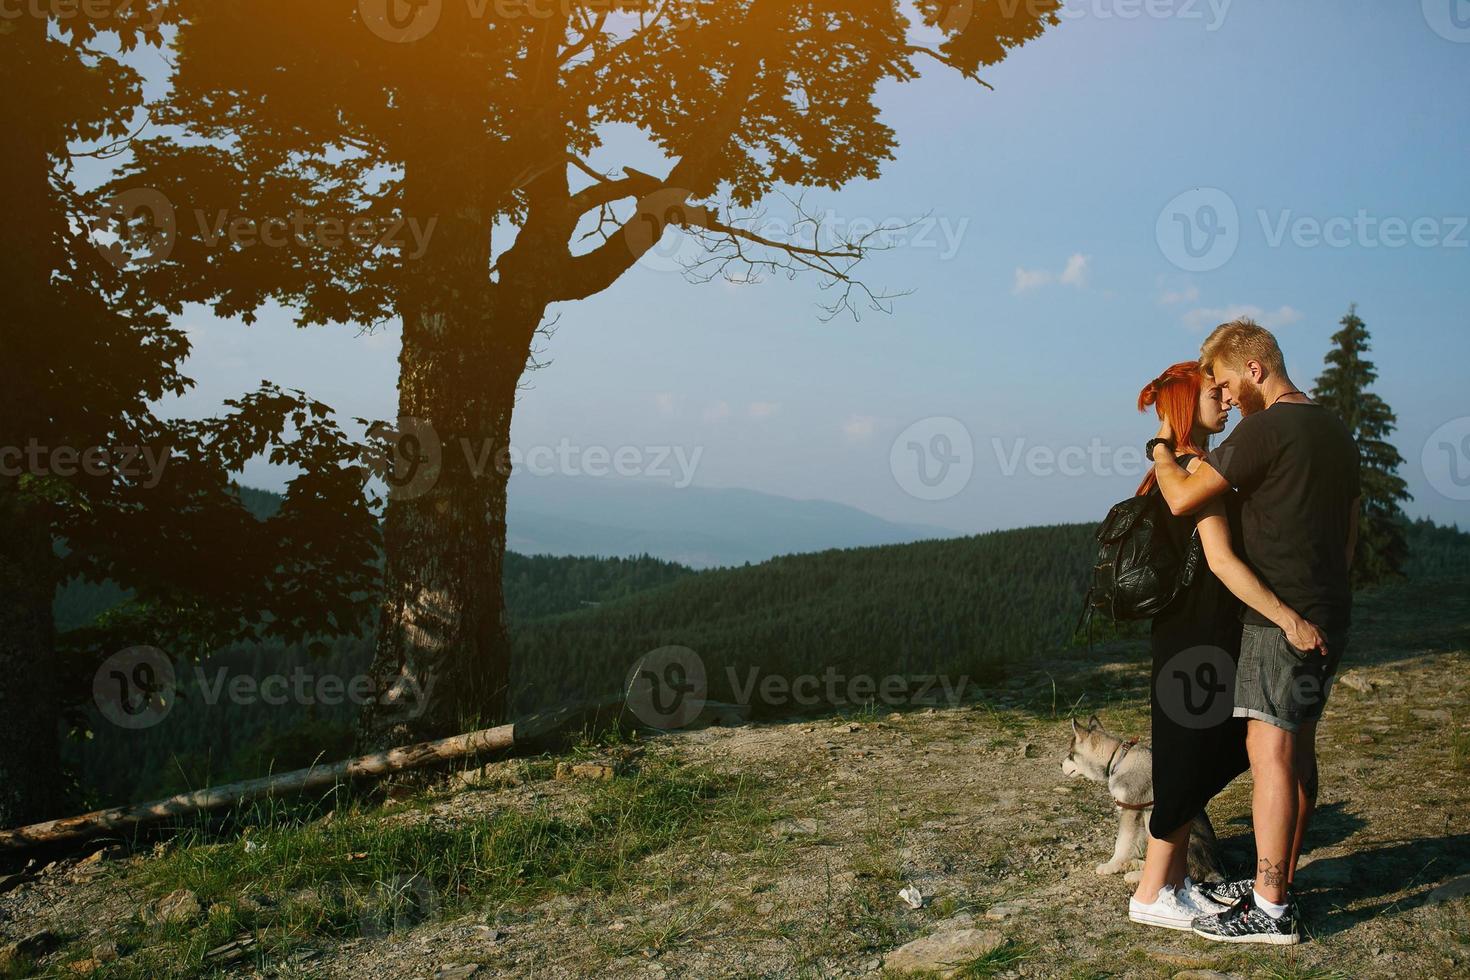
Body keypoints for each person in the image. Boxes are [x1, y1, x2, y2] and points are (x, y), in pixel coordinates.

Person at [1149, 319, 1361, 945]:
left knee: (1268, 756)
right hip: (1330, 610)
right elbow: (1350, 529)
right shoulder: (1334, 427)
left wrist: (1161, 449)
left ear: (1256, 369)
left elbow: (1186, 497)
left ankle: (1269, 909)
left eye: (1225, 381)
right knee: (1298, 751)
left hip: (1280, 620)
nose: (1227, 395)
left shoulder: (1268, 428)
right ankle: (1282, 883)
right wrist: (1326, 600)